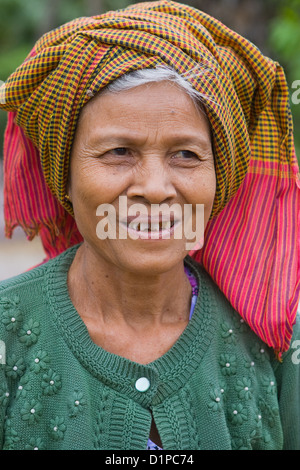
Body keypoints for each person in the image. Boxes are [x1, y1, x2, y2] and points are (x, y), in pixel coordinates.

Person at [0, 0, 299, 451]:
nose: (156, 189)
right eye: (118, 152)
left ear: (220, 179)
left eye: (186, 155)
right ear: (63, 174)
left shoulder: (274, 340)